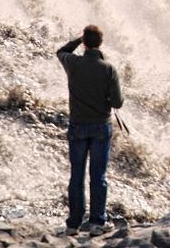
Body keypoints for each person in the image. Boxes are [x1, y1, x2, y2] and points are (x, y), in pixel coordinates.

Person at [57, 25, 124, 237]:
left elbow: (61, 52)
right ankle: (96, 222)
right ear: (101, 43)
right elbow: (117, 102)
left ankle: (73, 224)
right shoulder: (108, 69)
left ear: (85, 43)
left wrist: (78, 40)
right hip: (100, 128)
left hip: (78, 126)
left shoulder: (73, 63)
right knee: (98, 176)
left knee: (76, 176)